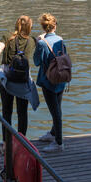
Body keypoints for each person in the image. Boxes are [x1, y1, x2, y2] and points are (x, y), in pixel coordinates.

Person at [0, 15, 38, 154]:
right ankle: (22, 145)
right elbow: (41, 39)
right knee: (22, 113)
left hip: (7, 79)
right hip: (23, 81)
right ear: (29, 27)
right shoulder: (32, 41)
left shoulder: (7, 36)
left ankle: (6, 145)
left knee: (7, 112)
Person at [33, 13, 66, 153]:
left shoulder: (42, 43)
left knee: (55, 112)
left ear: (43, 27)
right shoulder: (60, 40)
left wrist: (38, 42)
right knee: (57, 108)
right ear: (55, 26)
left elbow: (36, 62)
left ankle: (59, 143)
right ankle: (53, 134)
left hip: (48, 81)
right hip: (61, 79)